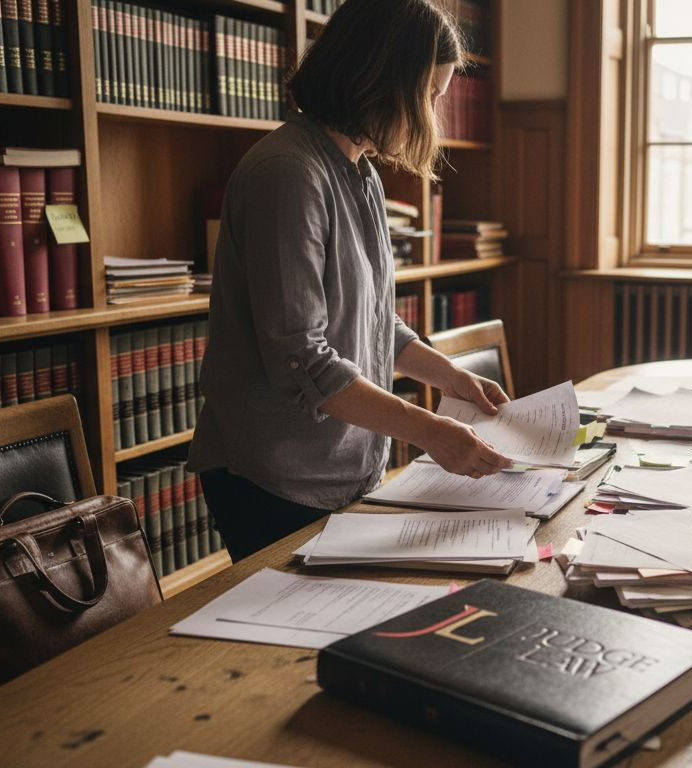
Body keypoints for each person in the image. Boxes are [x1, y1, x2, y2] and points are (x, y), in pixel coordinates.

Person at [188, 0, 512, 562]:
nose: (432, 118)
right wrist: (430, 430)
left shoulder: (360, 173)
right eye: (430, 96)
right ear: (381, 82)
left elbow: (371, 320)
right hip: (275, 476)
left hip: (341, 466)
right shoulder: (289, 174)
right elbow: (304, 360)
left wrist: (451, 377)